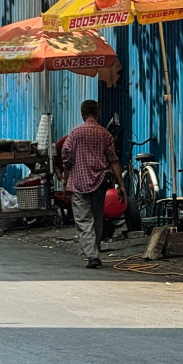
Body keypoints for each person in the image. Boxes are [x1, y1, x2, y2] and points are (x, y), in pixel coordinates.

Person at [61, 99, 126, 269]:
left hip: (78, 182)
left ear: (82, 114)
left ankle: (92, 255)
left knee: (83, 219)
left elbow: (67, 158)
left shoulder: (75, 134)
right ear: (98, 113)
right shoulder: (105, 134)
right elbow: (113, 161)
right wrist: (122, 185)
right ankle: (94, 250)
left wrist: (65, 178)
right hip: (100, 182)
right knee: (97, 217)